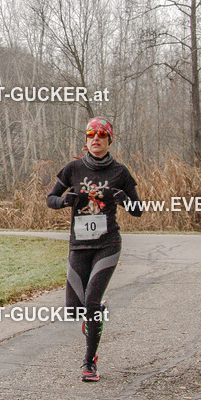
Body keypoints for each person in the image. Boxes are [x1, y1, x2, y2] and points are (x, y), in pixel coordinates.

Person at [46, 117, 142, 382]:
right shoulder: (73, 168)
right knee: (76, 309)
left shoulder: (120, 172)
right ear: (86, 140)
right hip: (79, 245)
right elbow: (50, 199)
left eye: (101, 134)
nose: (96, 138)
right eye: (91, 135)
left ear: (109, 140)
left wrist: (124, 200)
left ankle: (89, 362)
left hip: (107, 244)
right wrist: (65, 200)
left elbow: (138, 211)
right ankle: (95, 310)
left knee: (89, 302)